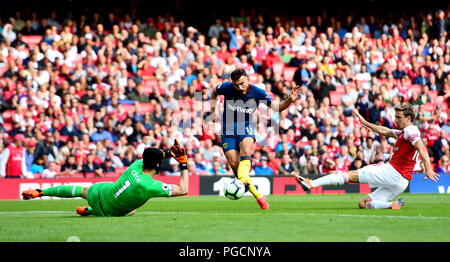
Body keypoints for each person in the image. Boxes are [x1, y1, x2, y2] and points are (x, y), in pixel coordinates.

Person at [294, 105, 439, 209]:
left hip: (393, 172)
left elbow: (421, 146)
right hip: (402, 182)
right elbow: (385, 131)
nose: (395, 120)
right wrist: (364, 123)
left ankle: (311, 183)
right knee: (363, 204)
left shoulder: (410, 131)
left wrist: (428, 168)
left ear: (408, 118)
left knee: (349, 175)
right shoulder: (403, 132)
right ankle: (392, 205)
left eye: (399, 117)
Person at [22, 139, 189, 217]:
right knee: (130, 210)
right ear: (158, 166)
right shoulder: (151, 185)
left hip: (99, 194)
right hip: (107, 213)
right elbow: (184, 190)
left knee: (82, 191)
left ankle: (40, 192)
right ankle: (89, 211)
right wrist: (183, 164)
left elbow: (153, 158)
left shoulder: (135, 165)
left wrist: (168, 153)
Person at [210, 68, 301, 209]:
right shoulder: (226, 88)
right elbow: (214, 92)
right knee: (235, 165)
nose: (239, 87)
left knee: (245, 152)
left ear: (248, 79)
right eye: (236, 84)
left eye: (242, 83)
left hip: (245, 127)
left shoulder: (258, 93)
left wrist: (290, 100)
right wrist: (212, 111)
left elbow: (277, 108)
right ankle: (258, 196)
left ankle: (252, 192)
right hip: (227, 130)